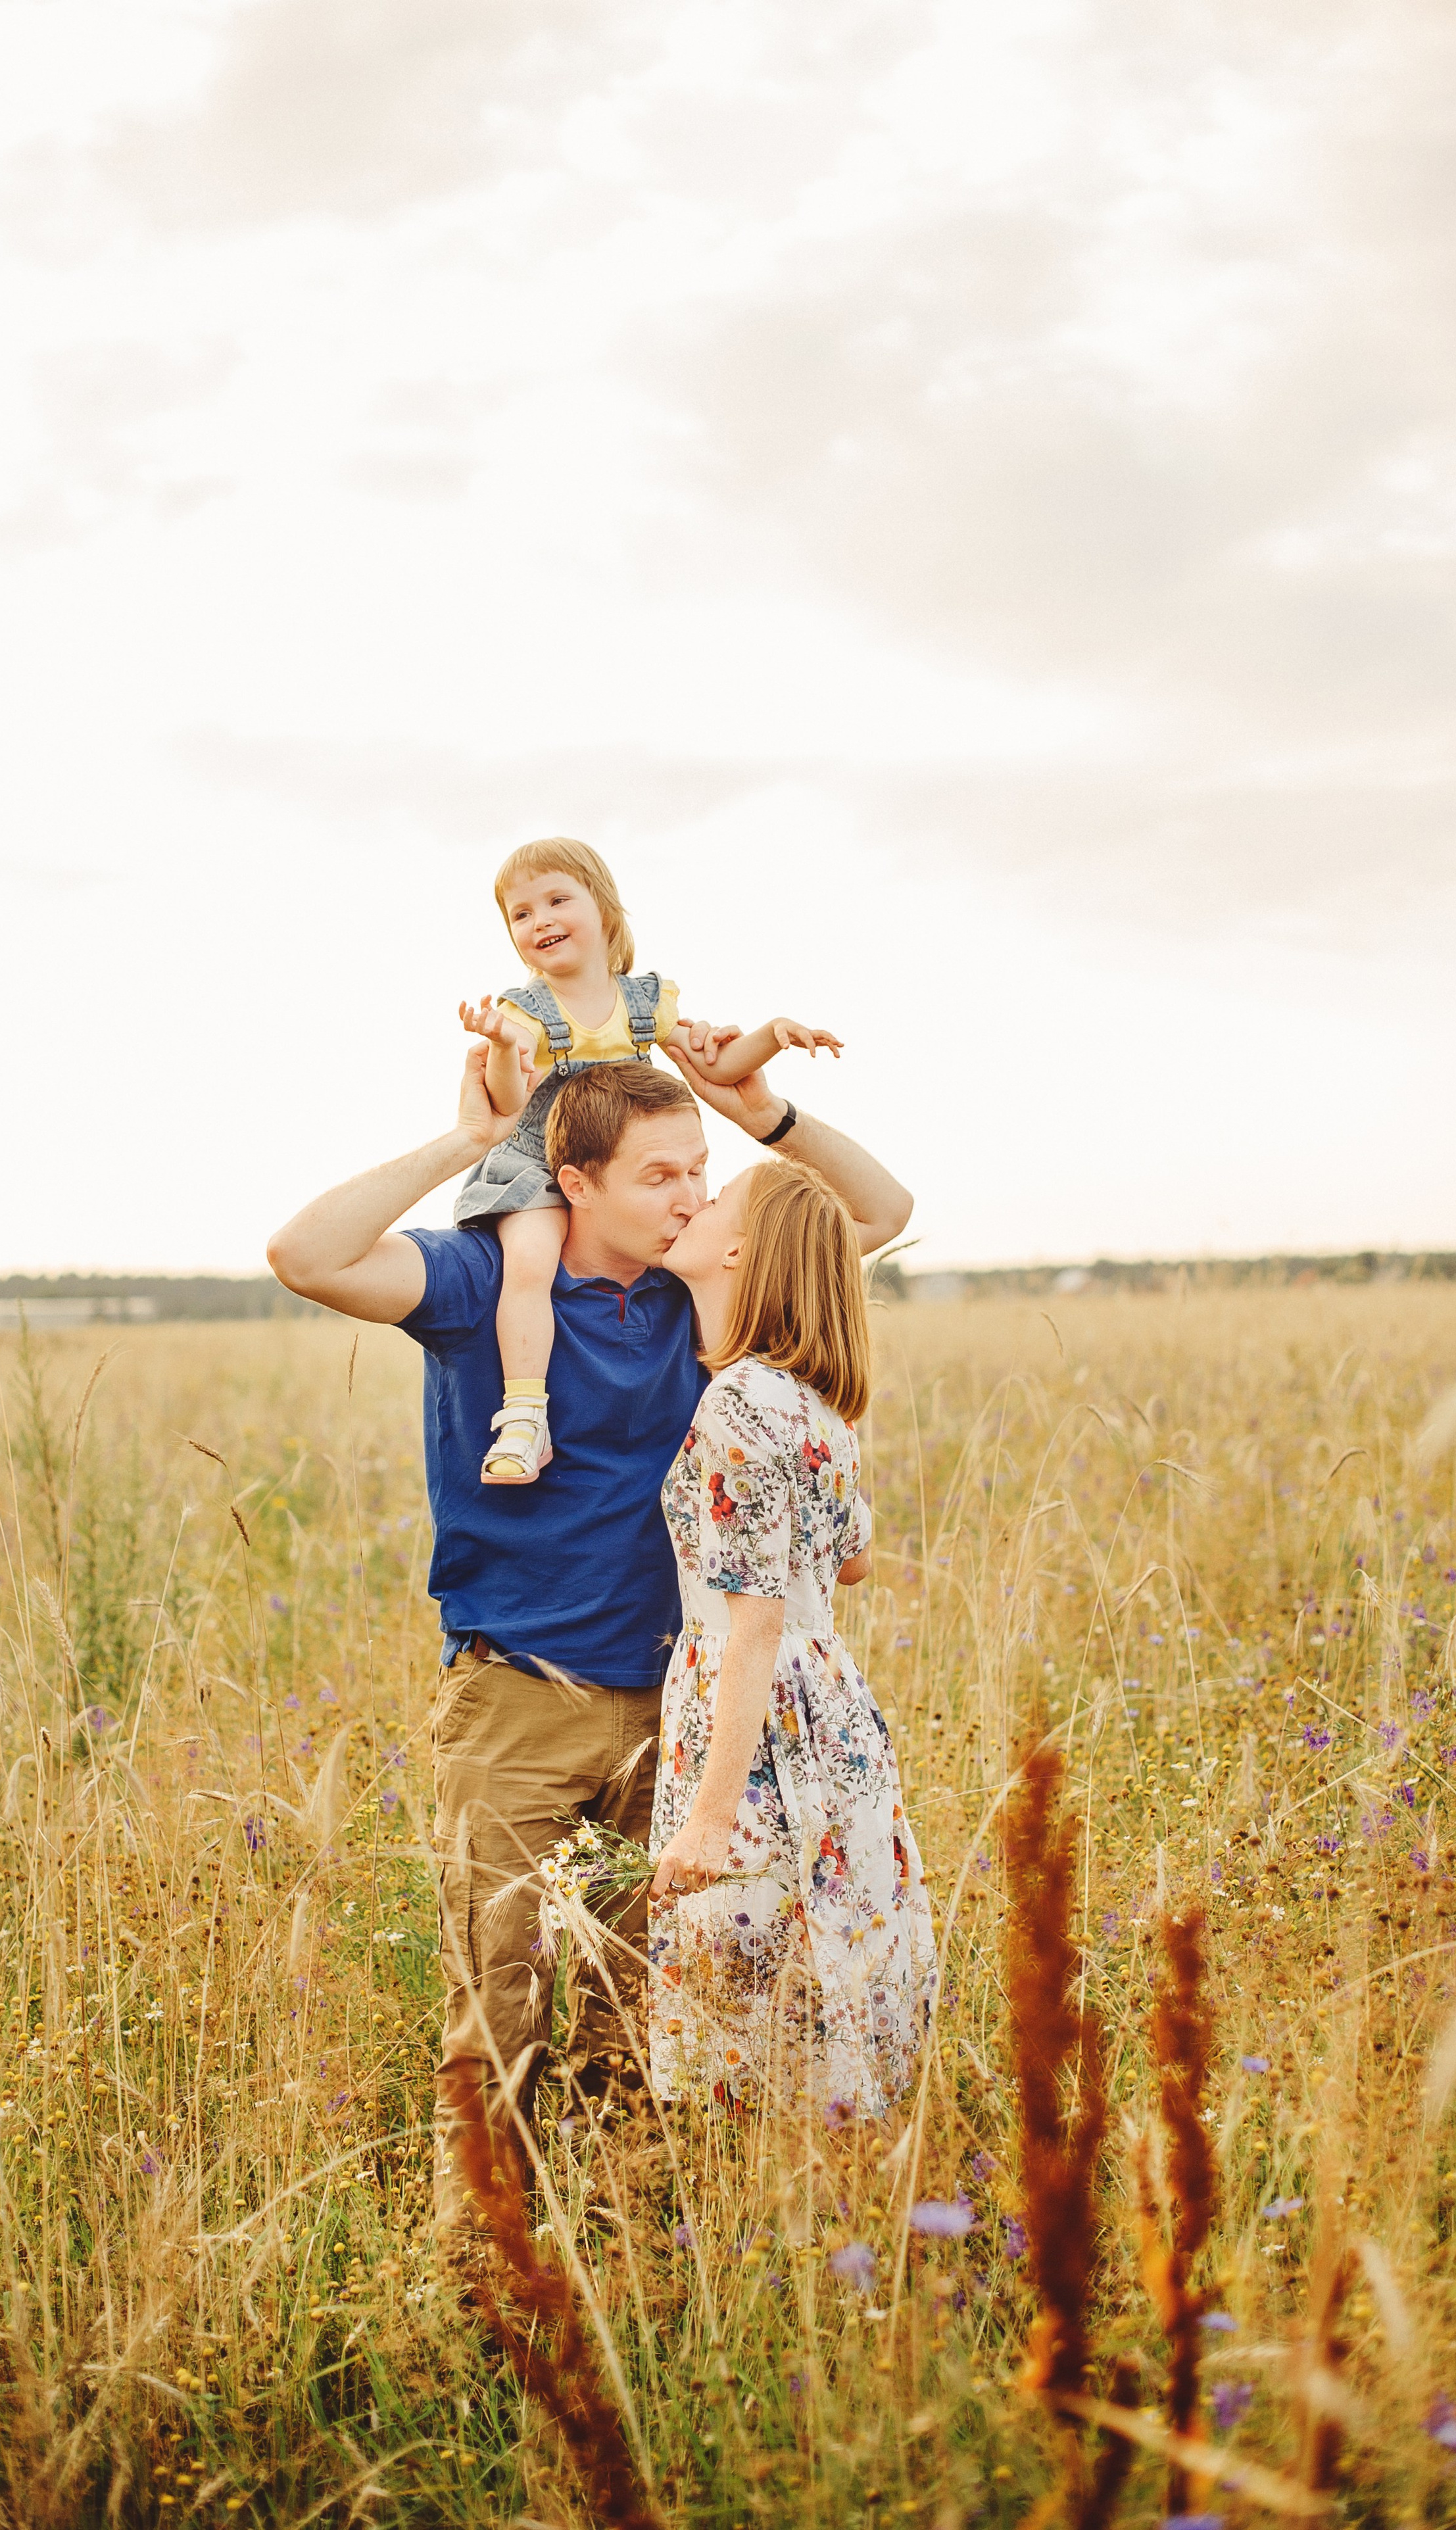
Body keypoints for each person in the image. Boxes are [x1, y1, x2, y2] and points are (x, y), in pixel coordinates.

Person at [265, 1041, 911, 2245]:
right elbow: (307, 1254)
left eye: (701, 1171)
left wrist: (761, 1108)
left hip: (678, 1708)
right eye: (661, 1174)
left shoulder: (693, 1284)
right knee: (497, 2003)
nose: (691, 1196)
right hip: (516, 1696)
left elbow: (874, 1213)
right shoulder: (482, 1283)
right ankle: (487, 2265)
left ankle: (627, 2252)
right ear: (577, 1181)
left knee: (643, 2007)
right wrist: (471, 1143)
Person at [648, 1156, 936, 2118]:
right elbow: (853, 1563)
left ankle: (760, 2184)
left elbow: (755, 1626)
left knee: (746, 1981)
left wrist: (710, 1816)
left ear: (740, 1250)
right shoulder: (816, 1402)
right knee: (827, 1959)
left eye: (716, 1197)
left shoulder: (735, 1401)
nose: (696, 1201)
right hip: (832, 1704)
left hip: (755, 1709)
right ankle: (840, 2164)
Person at [455, 837, 840, 1484]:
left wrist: (771, 1036)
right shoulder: (527, 1012)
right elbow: (509, 1095)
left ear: (605, 910)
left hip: (624, 1173)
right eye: (521, 913)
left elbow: (717, 1063)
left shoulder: (643, 1002)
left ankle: (740, 1408)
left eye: (556, 900)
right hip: (538, 1164)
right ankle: (524, 1414)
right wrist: (497, 1044)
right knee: (529, 1262)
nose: (540, 919)